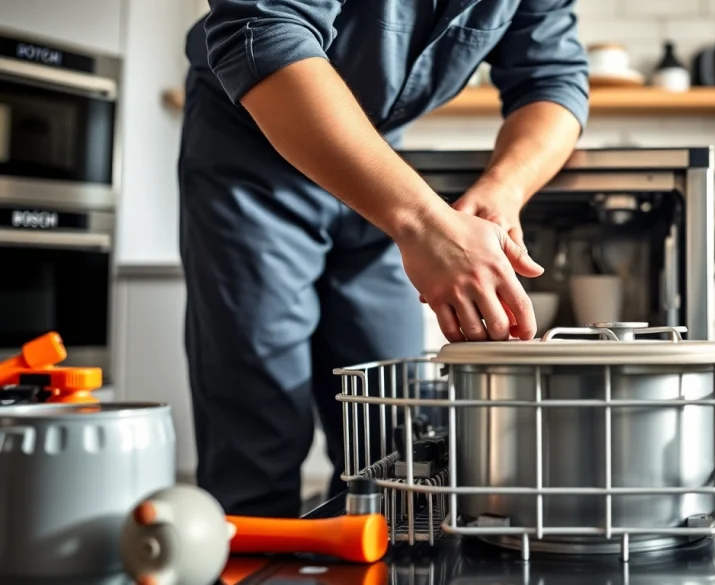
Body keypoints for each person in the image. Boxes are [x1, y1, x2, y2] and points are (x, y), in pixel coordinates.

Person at [178, 0, 589, 518]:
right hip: (252, 156)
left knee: (393, 446)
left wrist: (504, 189)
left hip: (380, 163)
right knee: (257, 437)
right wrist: (422, 223)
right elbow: (265, 27)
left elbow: (554, 78)